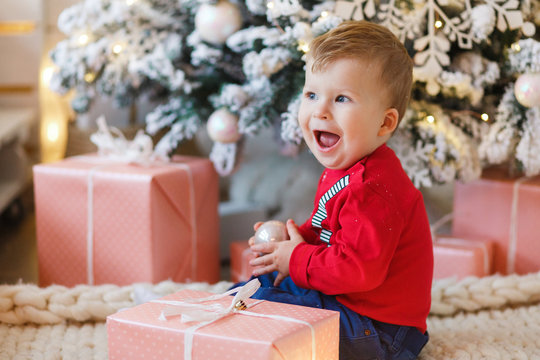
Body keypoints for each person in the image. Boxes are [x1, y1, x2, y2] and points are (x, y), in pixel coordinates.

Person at [239, 20, 433, 359]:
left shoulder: (371, 189)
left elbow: (356, 269)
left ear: (385, 123)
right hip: (351, 305)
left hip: (381, 329)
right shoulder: (345, 167)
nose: (321, 110)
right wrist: (291, 242)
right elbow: (332, 236)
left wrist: (296, 259)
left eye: (341, 98)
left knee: (260, 308)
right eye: (312, 94)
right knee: (254, 292)